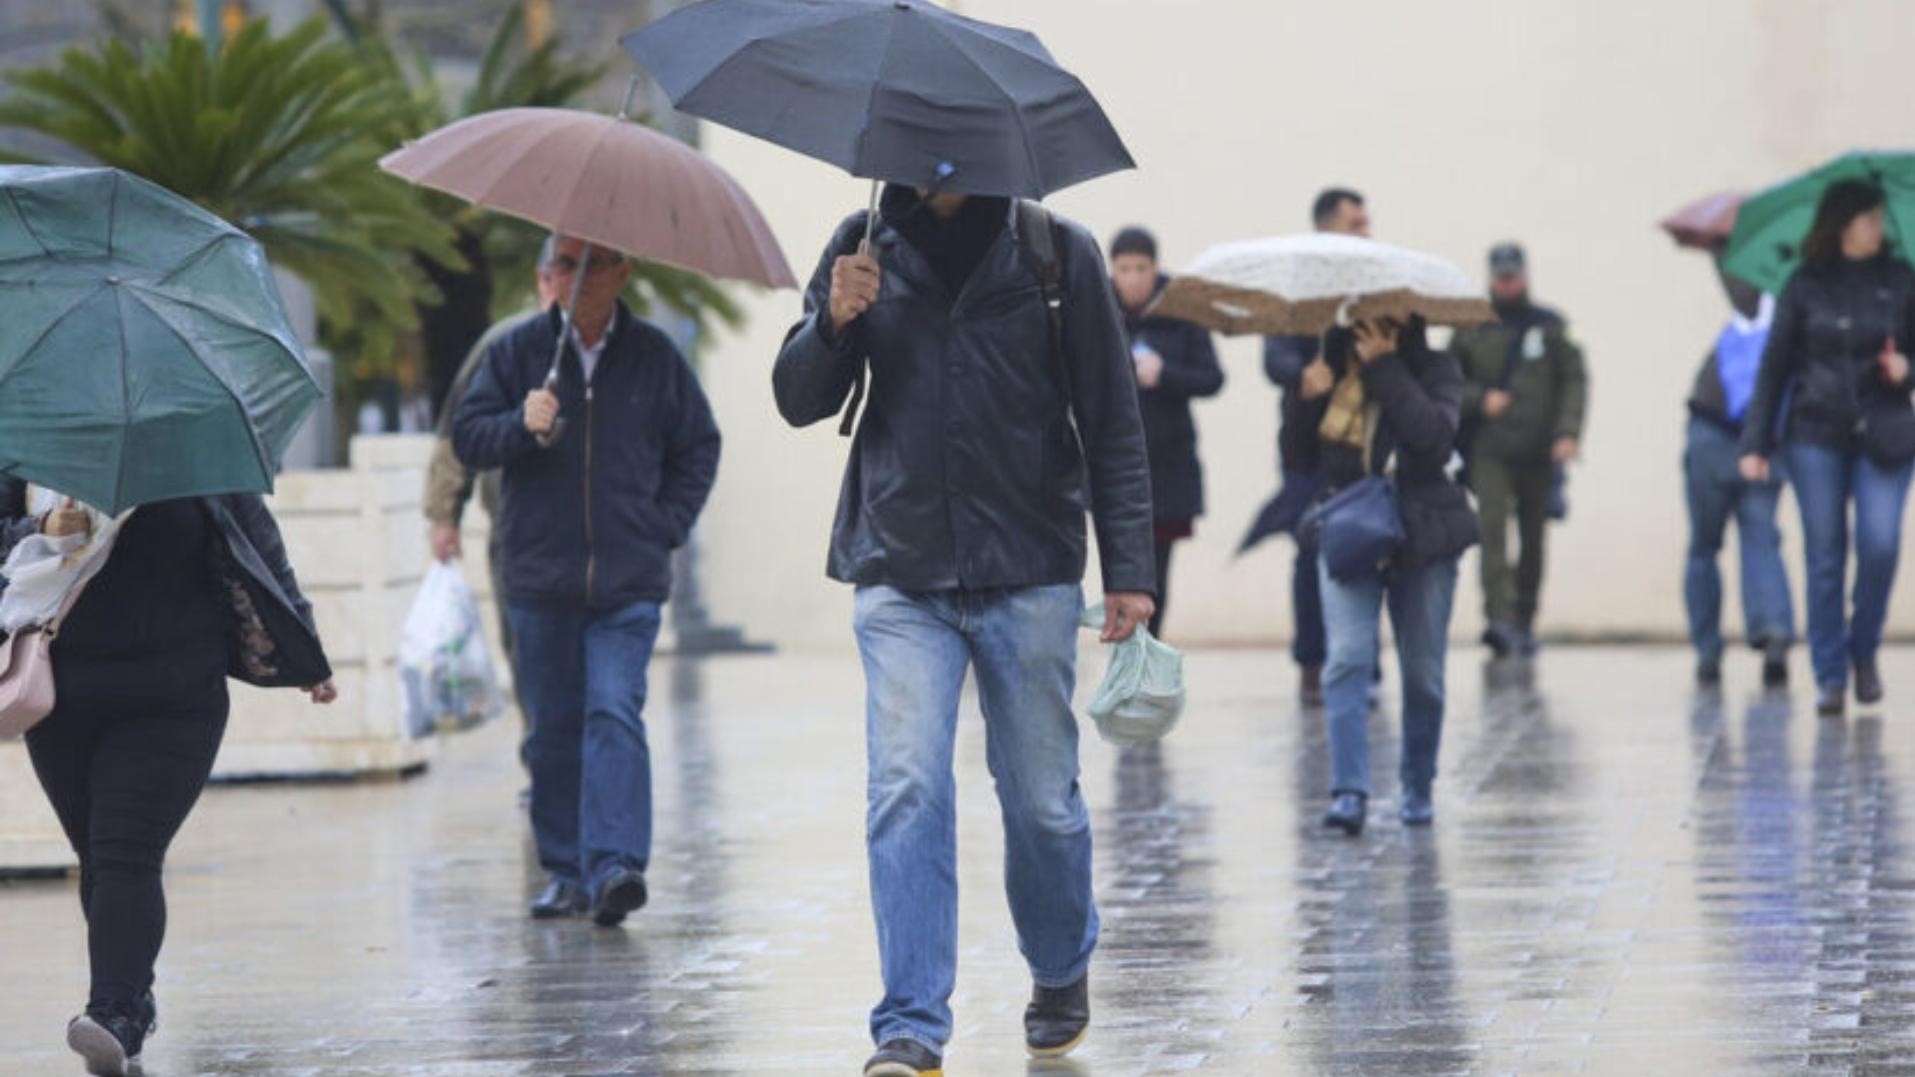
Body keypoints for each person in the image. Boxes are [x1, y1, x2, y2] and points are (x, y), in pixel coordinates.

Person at [774, 185, 1155, 1077]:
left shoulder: (1056, 253)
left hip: (1027, 564)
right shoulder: (861, 242)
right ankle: (909, 1023)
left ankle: (1060, 963)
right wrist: (832, 321)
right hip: (899, 563)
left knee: (1040, 801)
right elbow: (796, 399)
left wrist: (1129, 568)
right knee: (905, 786)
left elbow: (1111, 418)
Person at [1, 481, 336, 1077]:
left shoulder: (190, 444)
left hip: (175, 697)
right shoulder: (29, 447)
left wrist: (306, 652)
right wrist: (39, 534)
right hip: (61, 698)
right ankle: (132, 995)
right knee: (98, 859)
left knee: (125, 851)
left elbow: (257, 543)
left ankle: (113, 1015)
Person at [453, 234, 722, 925]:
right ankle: (566, 869)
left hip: (628, 579)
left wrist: (664, 524)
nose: (575, 278)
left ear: (622, 272)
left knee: (612, 708)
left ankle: (615, 865)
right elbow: (468, 436)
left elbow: (699, 444)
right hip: (540, 577)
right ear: (546, 275)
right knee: (553, 726)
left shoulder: (655, 356)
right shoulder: (516, 353)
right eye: (563, 265)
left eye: (591, 264)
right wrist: (520, 422)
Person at [1291, 316, 1478, 836]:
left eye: (1385, 318)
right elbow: (1298, 458)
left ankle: (1418, 784)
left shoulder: (1437, 368)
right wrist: (1305, 400)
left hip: (1426, 532)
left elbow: (1434, 439)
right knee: (1347, 659)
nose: (1371, 328)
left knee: (1424, 676)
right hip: (1351, 531)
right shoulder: (1329, 367)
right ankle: (1349, 790)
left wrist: (1386, 369)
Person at [1739, 179, 1915, 717]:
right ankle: (1831, 675)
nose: (1876, 228)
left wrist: (1907, 370)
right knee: (1824, 556)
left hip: (1884, 430)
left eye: (1879, 219)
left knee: (1880, 543)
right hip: (1816, 432)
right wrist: (1756, 439)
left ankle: (1863, 650)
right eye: (1866, 219)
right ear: (1841, 224)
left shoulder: (1901, 279)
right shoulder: (1805, 284)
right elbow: (1775, 368)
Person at [1452, 243, 1589, 658]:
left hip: (1539, 450)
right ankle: (1498, 619)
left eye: (1513, 275)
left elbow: (1574, 380)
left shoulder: (1549, 326)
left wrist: (1568, 433)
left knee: (1533, 538)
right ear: (1491, 277)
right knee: (1491, 533)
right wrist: (1480, 400)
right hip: (1489, 449)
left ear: (1525, 276)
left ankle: (1524, 619)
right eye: (1501, 276)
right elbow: (1447, 381)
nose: (1507, 283)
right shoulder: (1471, 326)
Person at [1264, 188, 1371, 704]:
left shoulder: (1375, 291)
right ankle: (1311, 664)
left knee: (1367, 551)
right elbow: (1274, 359)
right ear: (1327, 228)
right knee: (1309, 556)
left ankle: (1363, 667)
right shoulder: (1296, 293)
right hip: (1305, 448)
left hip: (1362, 450)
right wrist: (1302, 374)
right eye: (1356, 223)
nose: (1366, 232)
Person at [425, 264, 561, 670]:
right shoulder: (503, 344)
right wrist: (444, 517)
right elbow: (456, 432)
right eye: (561, 271)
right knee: (527, 656)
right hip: (516, 530)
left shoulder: (612, 351)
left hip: (596, 540)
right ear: (542, 280)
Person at [1684, 260, 1795, 688]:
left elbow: (1737, 280)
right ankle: (1773, 632)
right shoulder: (1804, 302)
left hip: (1714, 428)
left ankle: (1708, 648)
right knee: (1761, 535)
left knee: (1704, 546)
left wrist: (1719, 245)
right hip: (1766, 438)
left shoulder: (1760, 293)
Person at [1109, 225, 1224, 638]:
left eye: (1142, 268)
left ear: (1155, 267)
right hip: (1114, 466)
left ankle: (1148, 652)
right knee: (1118, 570)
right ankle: (1123, 654)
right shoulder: (1097, 306)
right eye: (1124, 268)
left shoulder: (1181, 308)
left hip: (1169, 465)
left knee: (1157, 572)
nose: (1134, 278)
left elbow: (1212, 377)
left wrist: (1164, 374)